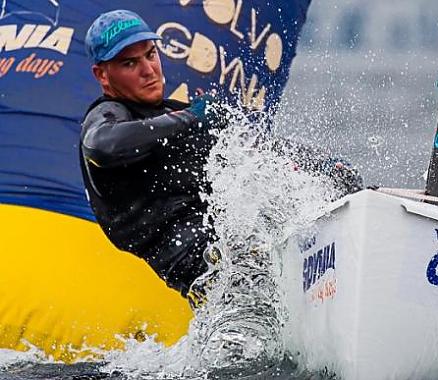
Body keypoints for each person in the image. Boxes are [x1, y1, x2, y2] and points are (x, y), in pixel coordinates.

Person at [79, 10, 361, 299]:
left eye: (151, 54)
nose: (149, 70)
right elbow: (102, 146)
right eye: (130, 63)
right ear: (102, 75)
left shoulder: (169, 115)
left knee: (326, 182)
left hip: (241, 250)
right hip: (211, 275)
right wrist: (189, 119)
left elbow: (250, 153)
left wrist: (320, 165)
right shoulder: (108, 117)